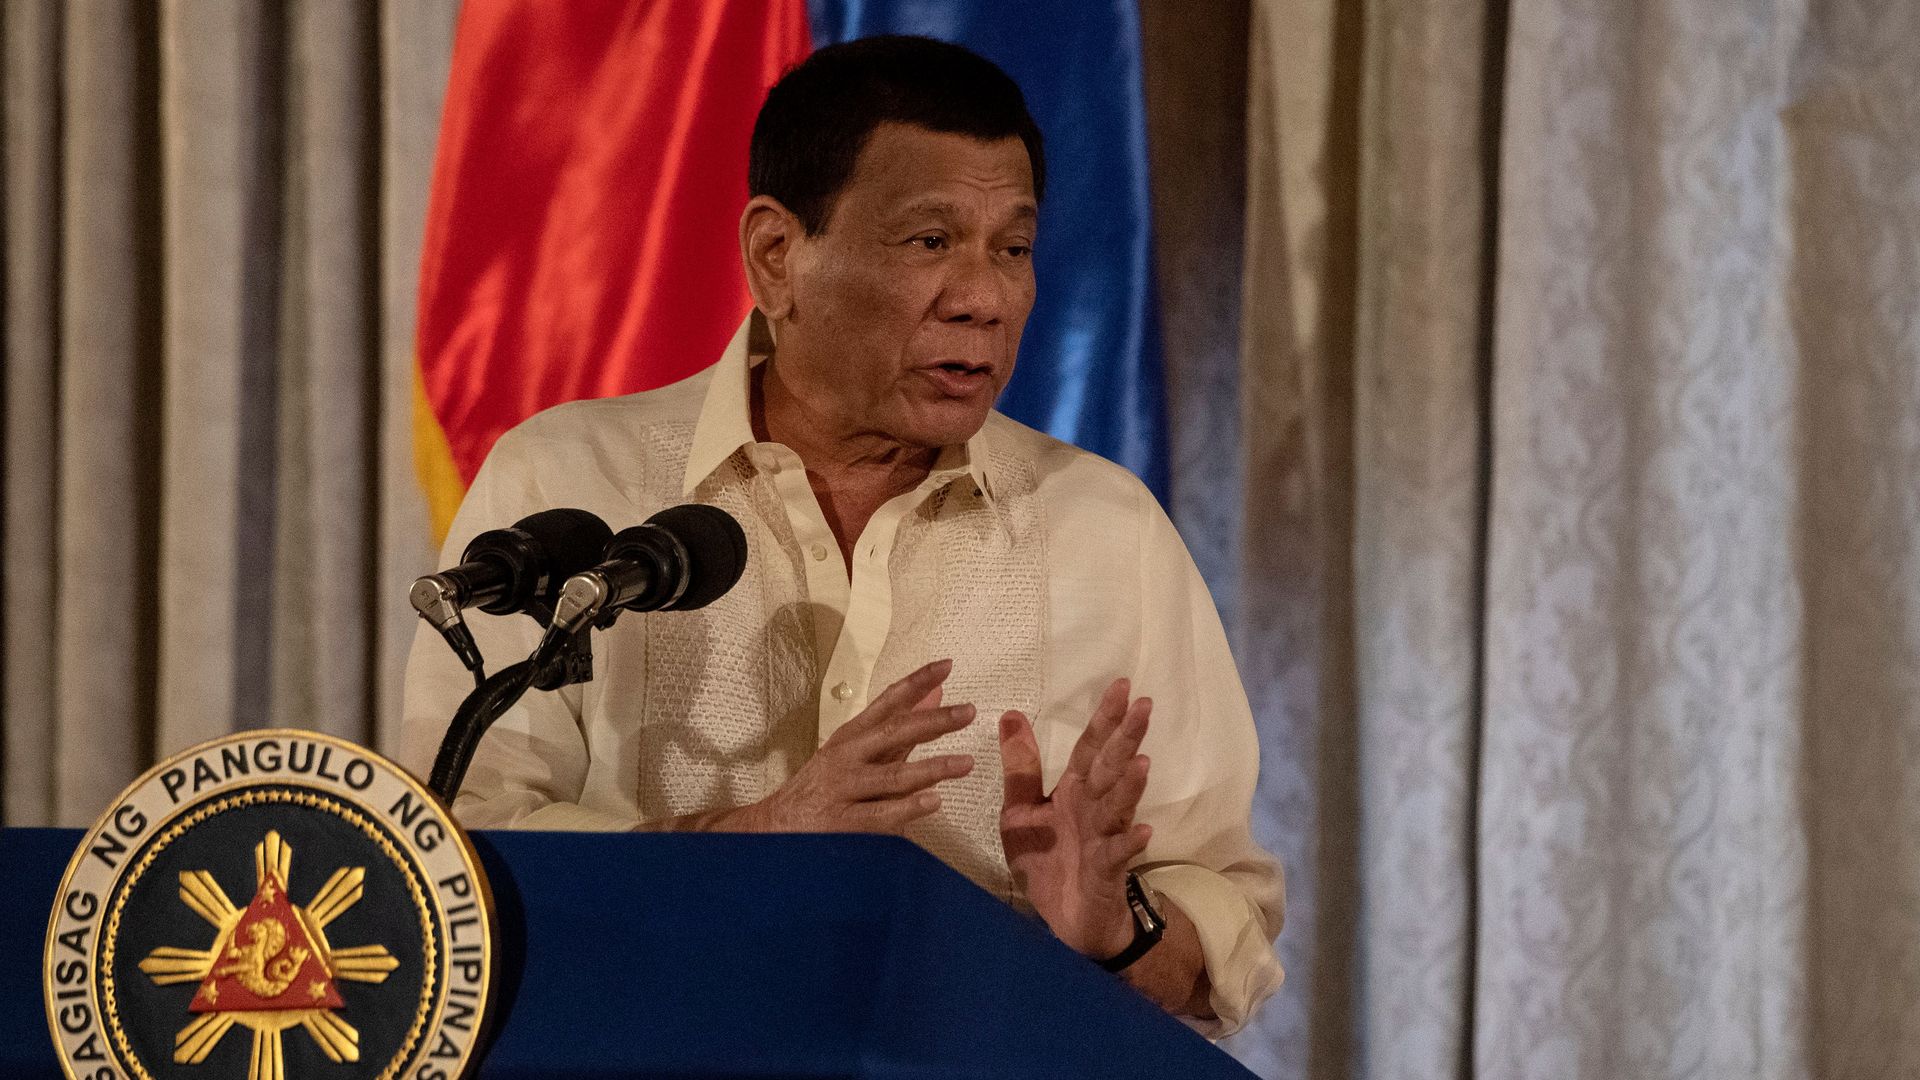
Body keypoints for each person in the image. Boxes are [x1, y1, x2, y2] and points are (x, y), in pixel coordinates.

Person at [402, 34, 1282, 1034]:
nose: (983, 298)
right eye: (929, 241)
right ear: (778, 256)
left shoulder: (1105, 531)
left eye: (1014, 248)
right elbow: (458, 863)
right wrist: (756, 840)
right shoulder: (566, 487)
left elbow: (1226, 922)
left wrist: (1116, 933)